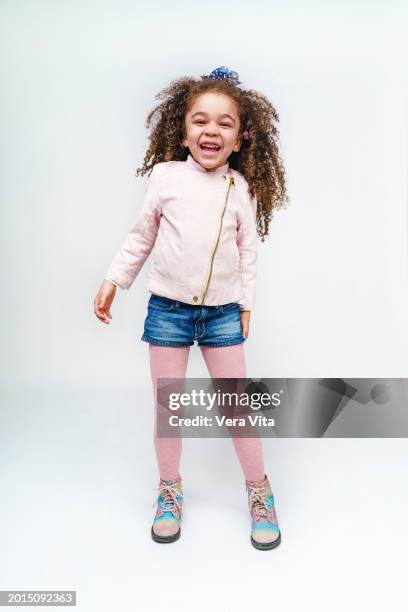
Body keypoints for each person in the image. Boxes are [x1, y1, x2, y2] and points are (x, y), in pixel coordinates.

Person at [93, 65, 289, 550]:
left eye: (225, 123)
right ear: (183, 131)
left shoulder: (239, 188)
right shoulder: (165, 178)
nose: (211, 130)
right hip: (168, 312)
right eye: (201, 120)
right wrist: (114, 279)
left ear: (240, 140)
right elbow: (142, 236)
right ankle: (168, 489)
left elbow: (247, 252)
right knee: (169, 409)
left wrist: (246, 304)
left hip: (222, 314)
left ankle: (259, 491)